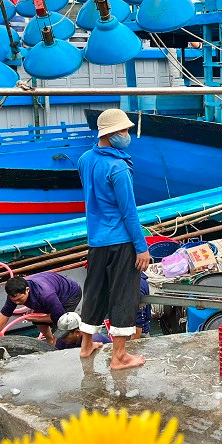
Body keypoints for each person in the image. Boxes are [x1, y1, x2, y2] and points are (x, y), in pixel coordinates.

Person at [77, 109, 151, 369]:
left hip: (96, 239)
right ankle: (119, 356)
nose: (127, 135)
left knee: (94, 291)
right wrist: (141, 248)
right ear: (111, 133)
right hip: (120, 241)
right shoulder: (118, 167)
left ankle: (86, 345)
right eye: (124, 131)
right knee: (123, 295)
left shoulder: (85, 159)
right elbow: (129, 212)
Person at [0, 271, 82, 346]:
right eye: (14, 300)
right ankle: (49, 340)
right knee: (38, 319)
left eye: (19, 299)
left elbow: (59, 317)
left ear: (27, 290)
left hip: (69, 293)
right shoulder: (14, 293)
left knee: (59, 327)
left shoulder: (46, 295)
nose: (17, 303)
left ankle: (59, 346)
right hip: (50, 290)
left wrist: (36, 318)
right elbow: (5, 313)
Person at [133, 273, 151, 339]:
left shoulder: (135, 285)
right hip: (143, 331)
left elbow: (139, 323)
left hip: (137, 334)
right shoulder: (141, 280)